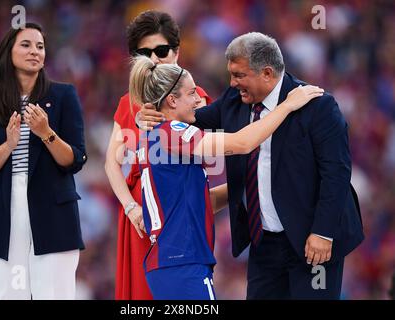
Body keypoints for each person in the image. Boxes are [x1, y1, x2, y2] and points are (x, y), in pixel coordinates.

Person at [138, 32, 365, 299]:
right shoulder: (234, 101)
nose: (232, 83)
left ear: (267, 73)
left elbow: (336, 173)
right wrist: (151, 114)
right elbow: (187, 121)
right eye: (231, 74)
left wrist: (323, 233)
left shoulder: (317, 105)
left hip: (311, 241)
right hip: (264, 244)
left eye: (239, 75)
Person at [0, 22, 87, 300]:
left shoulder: (63, 95)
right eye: (26, 44)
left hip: (54, 211)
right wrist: (8, 146)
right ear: (8, 51)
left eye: (40, 46)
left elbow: (76, 159)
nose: (35, 51)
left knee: (55, 294)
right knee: (8, 293)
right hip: (7, 211)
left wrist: (46, 134)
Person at [104, 10, 212, 300]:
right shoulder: (129, 103)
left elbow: (211, 152)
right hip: (141, 215)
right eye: (144, 53)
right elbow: (111, 164)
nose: (154, 59)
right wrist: (131, 208)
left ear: (177, 53)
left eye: (161, 50)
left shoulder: (194, 98)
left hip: (178, 213)